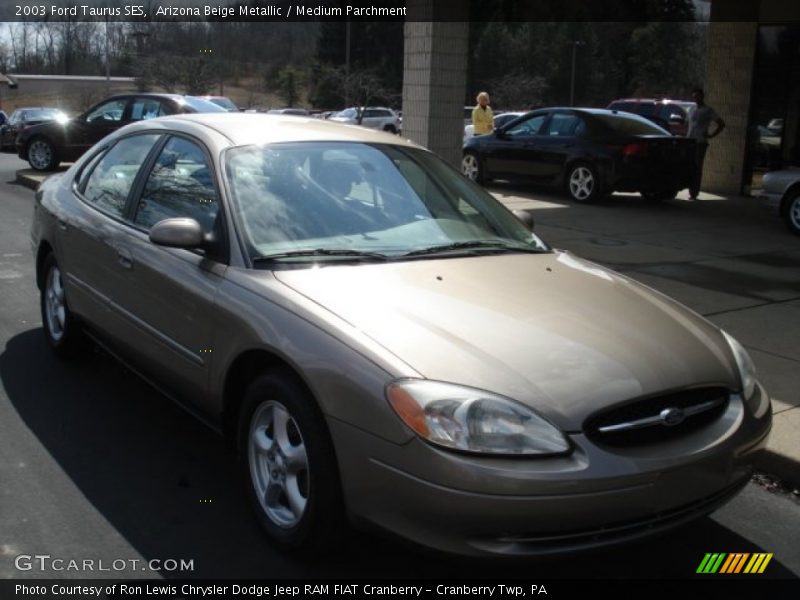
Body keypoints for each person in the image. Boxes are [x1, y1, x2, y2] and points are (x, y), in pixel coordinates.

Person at [687, 88, 725, 200]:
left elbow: (721, 123)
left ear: (702, 96)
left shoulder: (708, 110)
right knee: (690, 166)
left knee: (697, 167)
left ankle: (694, 192)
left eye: (698, 96)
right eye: (694, 97)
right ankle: (690, 189)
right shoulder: (692, 109)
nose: (696, 99)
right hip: (690, 141)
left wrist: (711, 135)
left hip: (700, 142)